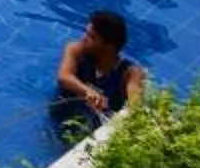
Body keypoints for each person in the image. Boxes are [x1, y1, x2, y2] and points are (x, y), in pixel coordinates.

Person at [50, 10, 148, 142]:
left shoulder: (130, 73)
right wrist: (87, 91)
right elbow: (64, 77)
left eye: (91, 37)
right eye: (86, 32)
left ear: (109, 46)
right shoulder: (76, 50)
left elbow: (135, 107)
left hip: (93, 129)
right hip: (62, 114)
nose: (84, 38)